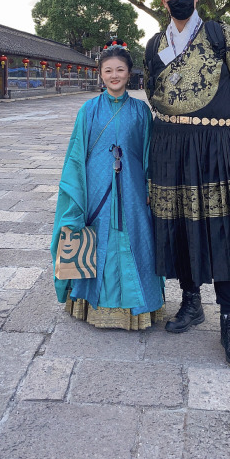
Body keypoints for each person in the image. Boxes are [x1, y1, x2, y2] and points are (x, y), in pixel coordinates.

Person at [144, 0, 230, 365]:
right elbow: (151, 91)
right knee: (178, 225)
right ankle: (190, 303)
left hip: (215, 147)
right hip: (170, 147)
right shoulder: (155, 44)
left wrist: (221, 127)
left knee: (221, 227)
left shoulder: (220, 35)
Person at [51, 39, 165, 330]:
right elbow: (76, 156)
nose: (114, 75)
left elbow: (150, 153)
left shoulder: (141, 111)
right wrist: (77, 193)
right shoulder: (88, 111)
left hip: (133, 191)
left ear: (129, 73)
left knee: (137, 240)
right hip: (97, 189)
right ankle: (91, 303)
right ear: (100, 74)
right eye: (108, 70)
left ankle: (137, 308)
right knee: (97, 241)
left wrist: (151, 186)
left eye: (120, 70)